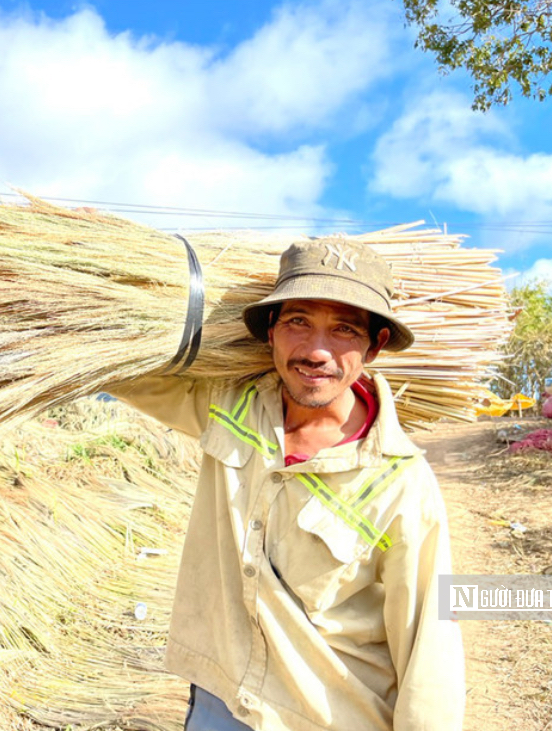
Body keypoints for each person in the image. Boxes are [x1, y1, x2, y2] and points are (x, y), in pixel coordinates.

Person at [110, 237, 465, 731]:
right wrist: (106, 267)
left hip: (328, 716)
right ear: (271, 330)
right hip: (222, 694)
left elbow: (430, 641)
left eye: (344, 329)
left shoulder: (400, 484)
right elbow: (116, 368)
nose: (317, 351)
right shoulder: (230, 408)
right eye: (298, 321)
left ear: (375, 345)